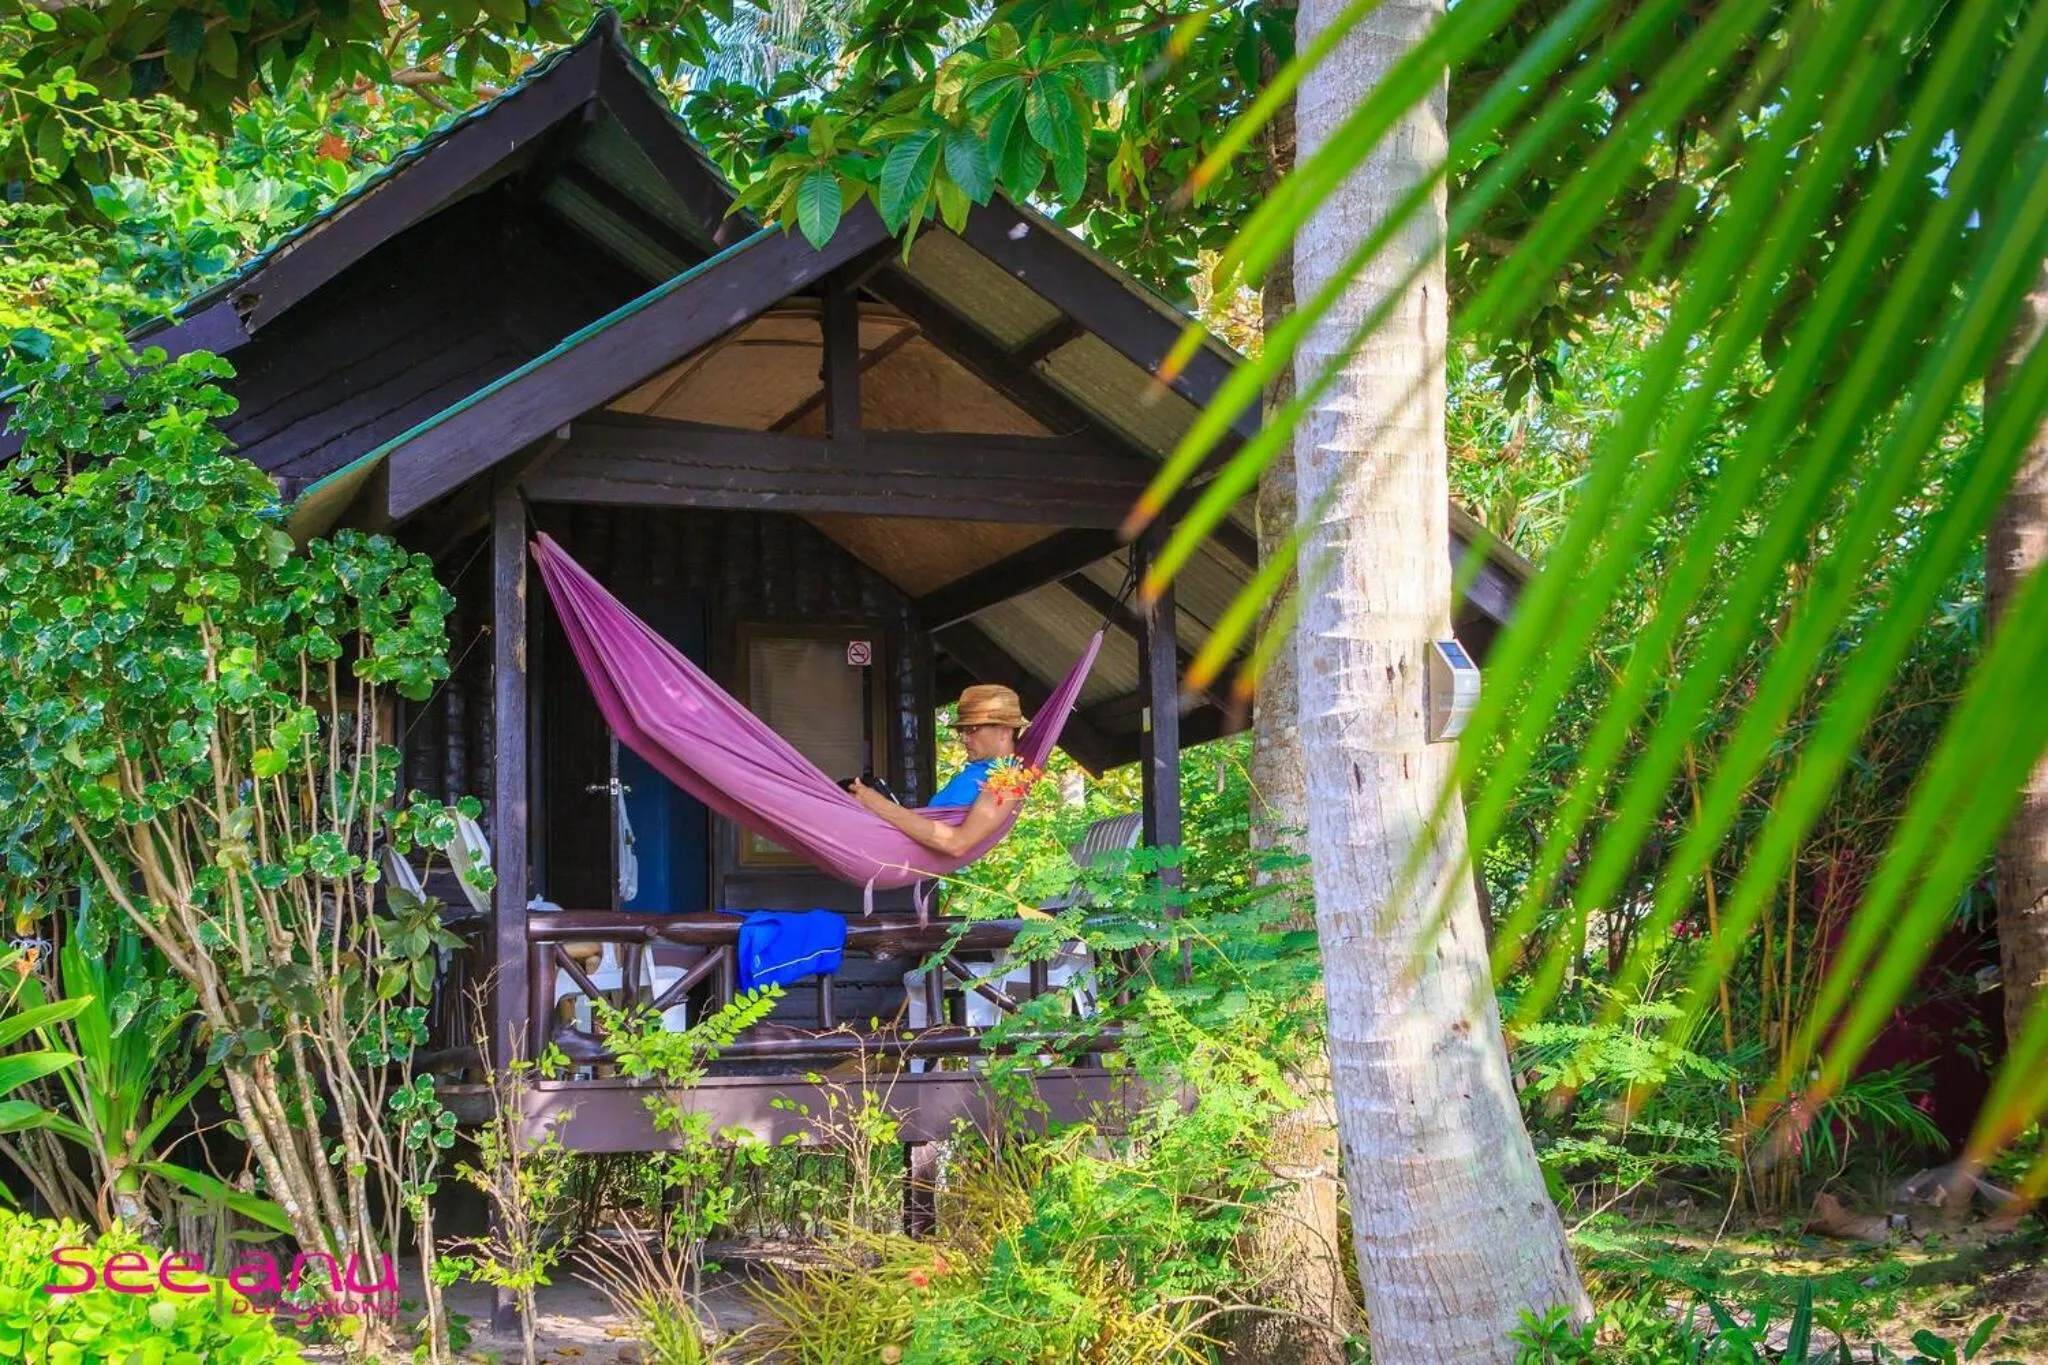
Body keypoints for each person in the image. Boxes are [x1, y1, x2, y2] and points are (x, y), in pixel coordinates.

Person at [848, 684, 1029, 857]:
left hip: (899, 857)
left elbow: (957, 843)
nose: (964, 739)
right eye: (961, 730)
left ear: (1005, 731)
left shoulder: (1007, 781)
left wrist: (878, 804)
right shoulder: (979, 770)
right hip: (894, 844)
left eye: (972, 729)